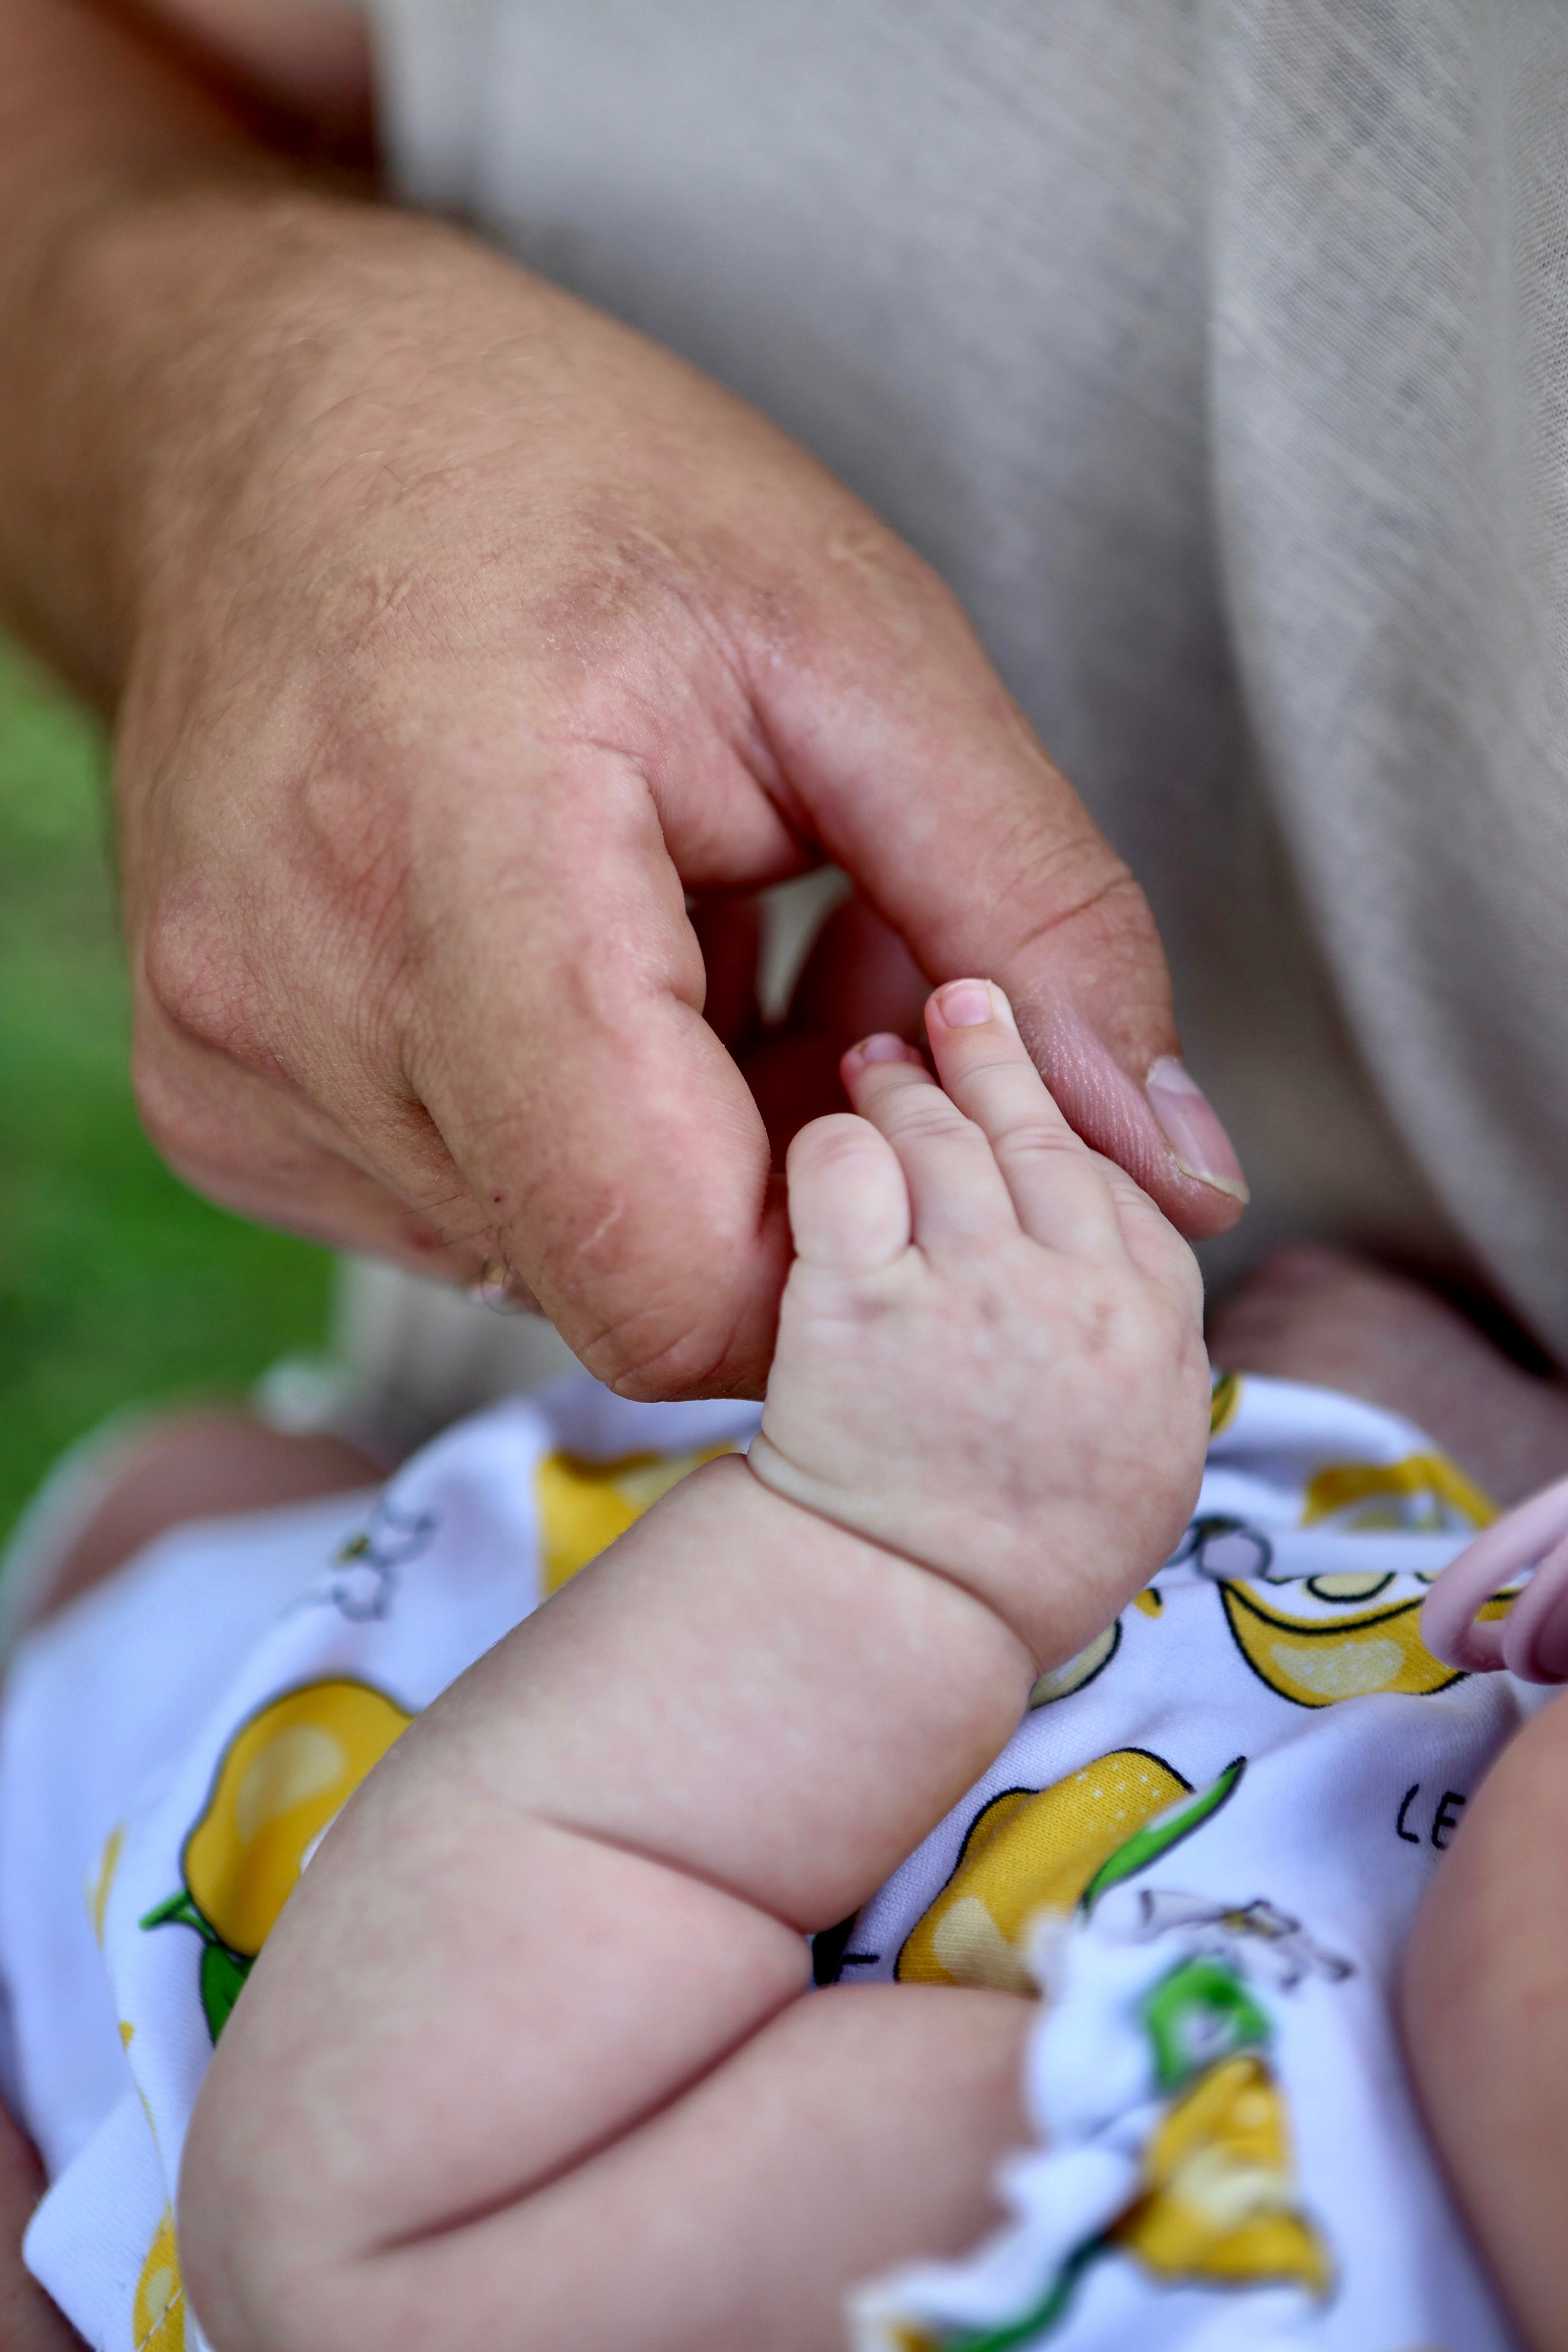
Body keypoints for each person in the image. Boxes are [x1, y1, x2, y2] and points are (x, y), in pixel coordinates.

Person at [1, 983, 1564, 2352]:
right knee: (232, 1479)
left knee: (172, 1510)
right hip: (466, 1547)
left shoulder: (1177, 2241)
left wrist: (915, 1549)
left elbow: (377, 2233)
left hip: (179, 1903)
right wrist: (1439, 1455)